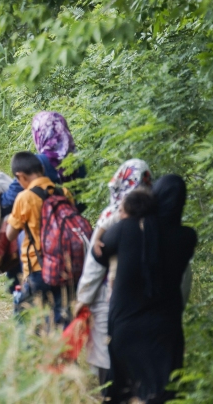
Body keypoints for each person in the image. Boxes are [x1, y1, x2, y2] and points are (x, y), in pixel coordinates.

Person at [94, 175, 197, 404]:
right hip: (165, 329)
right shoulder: (187, 237)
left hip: (125, 324)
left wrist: (102, 234)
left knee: (125, 393)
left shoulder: (126, 229)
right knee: (160, 394)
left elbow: (98, 255)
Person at [74, 159, 152, 387]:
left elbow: (94, 263)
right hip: (147, 299)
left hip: (110, 297)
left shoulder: (112, 216)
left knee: (106, 354)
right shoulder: (157, 218)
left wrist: (83, 297)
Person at [5, 151, 71, 327]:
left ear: (20, 177)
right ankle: (60, 351)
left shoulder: (25, 197)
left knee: (27, 317)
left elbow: (10, 234)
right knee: (60, 316)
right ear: (42, 168)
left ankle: (29, 352)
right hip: (66, 265)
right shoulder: (64, 192)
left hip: (38, 266)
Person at [1, 111, 86, 215]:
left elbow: (7, 203)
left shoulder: (38, 163)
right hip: (72, 224)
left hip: (41, 225)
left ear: (39, 134)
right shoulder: (79, 164)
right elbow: (82, 203)